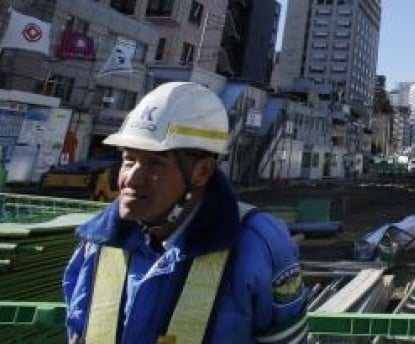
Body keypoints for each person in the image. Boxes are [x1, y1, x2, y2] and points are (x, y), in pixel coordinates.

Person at [63, 82, 308, 343]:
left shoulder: (257, 243)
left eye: (156, 162)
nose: (132, 179)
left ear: (202, 172)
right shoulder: (98, 242)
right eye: (129, 160)